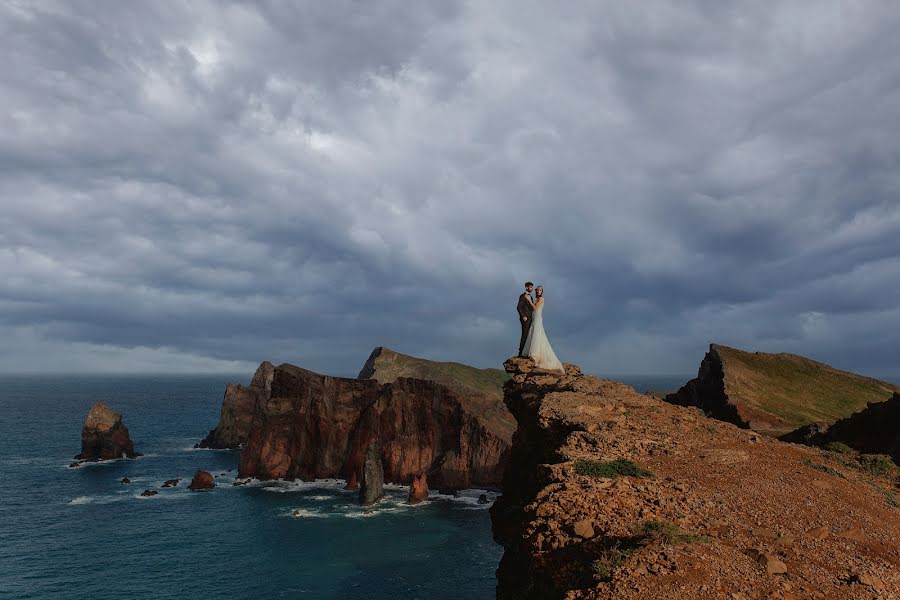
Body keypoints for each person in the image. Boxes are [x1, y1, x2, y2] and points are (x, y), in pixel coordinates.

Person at [521, 285, 564, 371]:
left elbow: (534, 307)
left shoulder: (541, 299)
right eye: (537, 290)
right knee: (534, 333)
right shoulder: (536, 299)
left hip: (537, 319)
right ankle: (533, 354)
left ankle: (535, 356)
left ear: (542, 292)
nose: (538, 292)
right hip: (534, 318)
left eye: (540, 290)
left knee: (537, 334)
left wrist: (529, 300)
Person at [516, 282, 534, 357]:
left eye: (532, 287)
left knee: (529, 335)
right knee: (525, 335)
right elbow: (519, 307)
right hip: (525, 319)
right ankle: (520, 353)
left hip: (531, 318)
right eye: (530, 287)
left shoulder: (531, 297)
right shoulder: (522, 296)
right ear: (526, 287)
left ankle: (526, 352)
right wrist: (523, 316)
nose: (531, 289)